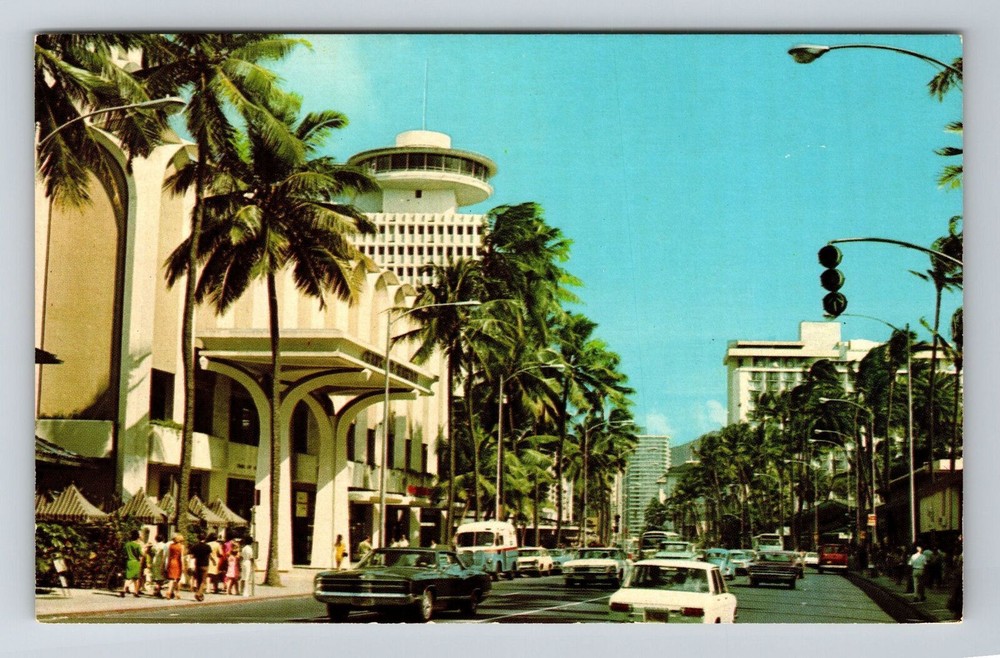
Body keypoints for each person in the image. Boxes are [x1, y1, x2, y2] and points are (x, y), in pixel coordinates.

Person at [119, 529, 145, 598]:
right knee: (136, 578)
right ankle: (136, 592)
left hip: (129, 562)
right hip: (136, 562)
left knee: (128, 578)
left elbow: (123, 553)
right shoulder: (137, 545)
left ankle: (124, 589)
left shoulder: (127, 544)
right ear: (137, 537)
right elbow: (141, 554)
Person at [189, 534, 213, 602]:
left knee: (198, 580)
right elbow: (209, 555)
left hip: (198, 564)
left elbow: (192, 556)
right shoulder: (207, 546)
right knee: (203, 580)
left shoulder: (195, 546)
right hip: (205, 564)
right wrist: (213, 561)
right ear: (205, 538)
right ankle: (199, 593)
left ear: (198, 538)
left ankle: (200, 594)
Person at [165, 533, 186, 600]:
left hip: (171, 562)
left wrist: (167, 564)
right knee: (177, 579)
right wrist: (183, 566)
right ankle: (177, 593)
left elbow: (168, 555)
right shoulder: (181, 546)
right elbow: (181, 557)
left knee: (171, 579)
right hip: (177, 563)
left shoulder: (171, 546)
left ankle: (168, 592)